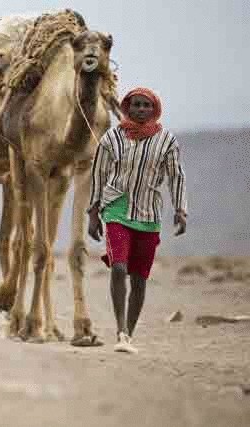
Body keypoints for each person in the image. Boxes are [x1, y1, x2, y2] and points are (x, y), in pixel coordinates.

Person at [87, 87, 187, 354]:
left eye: (146, 106)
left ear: (154, 110)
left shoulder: (166, 141)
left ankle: (129, 334)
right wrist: (93, 212)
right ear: (127, 108)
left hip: (148, 215)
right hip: (116, 208)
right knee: (118, 268)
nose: (141, 110)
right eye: (136, 105)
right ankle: (119, 329)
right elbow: (98, 174)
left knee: (139, 278)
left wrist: (180, 209)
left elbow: (176, 176)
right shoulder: (112, 138)